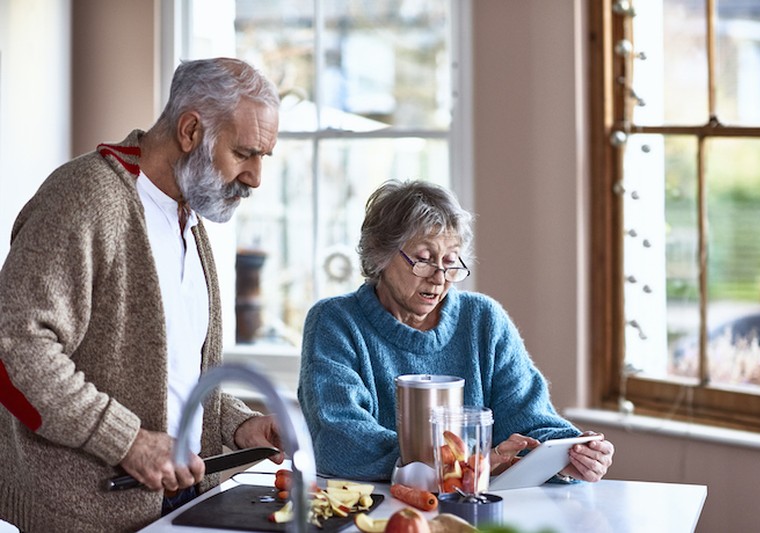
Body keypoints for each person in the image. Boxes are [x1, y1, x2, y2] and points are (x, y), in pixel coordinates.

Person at [0, 58, 285, 532]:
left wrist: (238, 425)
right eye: (244, 153)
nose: (255, 177)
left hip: (174, 508)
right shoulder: (87, 197)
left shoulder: (188, 219)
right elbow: (14, 348)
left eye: (263, 158)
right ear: (190, 131)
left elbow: (171, 377)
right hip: (82, 516)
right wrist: (127, 443)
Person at [298, 179, 614, 482]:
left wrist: (571, 453)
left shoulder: (484, 320)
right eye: (422, 260)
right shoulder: (335, 321)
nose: (439, 277)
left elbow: (530, 418)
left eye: (450, 261)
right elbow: (338, 438)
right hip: (373, 507)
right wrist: (458, 463)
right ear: (380, 255)